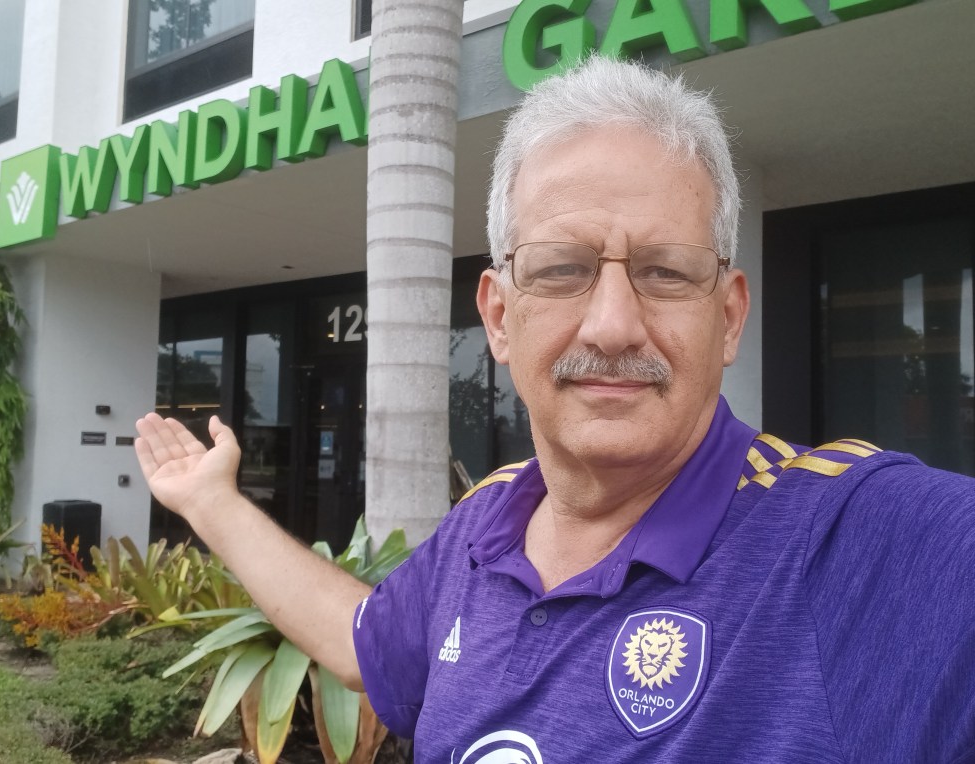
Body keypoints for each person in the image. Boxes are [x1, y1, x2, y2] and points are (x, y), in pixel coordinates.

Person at [135, 55, 975, 763]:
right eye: (563, 269)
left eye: (664, 271)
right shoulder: (485, 523)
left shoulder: (852, 543)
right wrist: (211, 502)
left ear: (727, 317)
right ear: (500, 317)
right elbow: (362, 640)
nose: (612, 325)